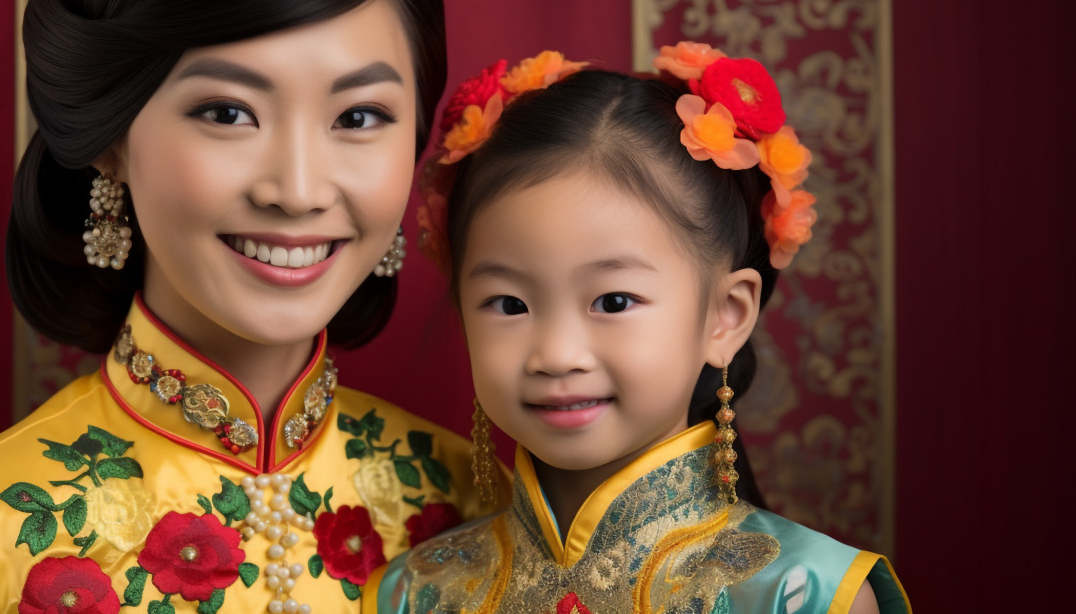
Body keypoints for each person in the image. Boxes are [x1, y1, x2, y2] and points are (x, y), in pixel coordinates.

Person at [0, 0, 504, 614]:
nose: (298, 189)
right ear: (109, 140)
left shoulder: (476, 510)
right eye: (228, 111)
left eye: (361, 115)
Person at [366, 48, 911, 614]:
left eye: (614, 300)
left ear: (725, 314)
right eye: (508, 303)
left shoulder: (805, 594)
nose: (556, 355)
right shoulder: (414, 593)